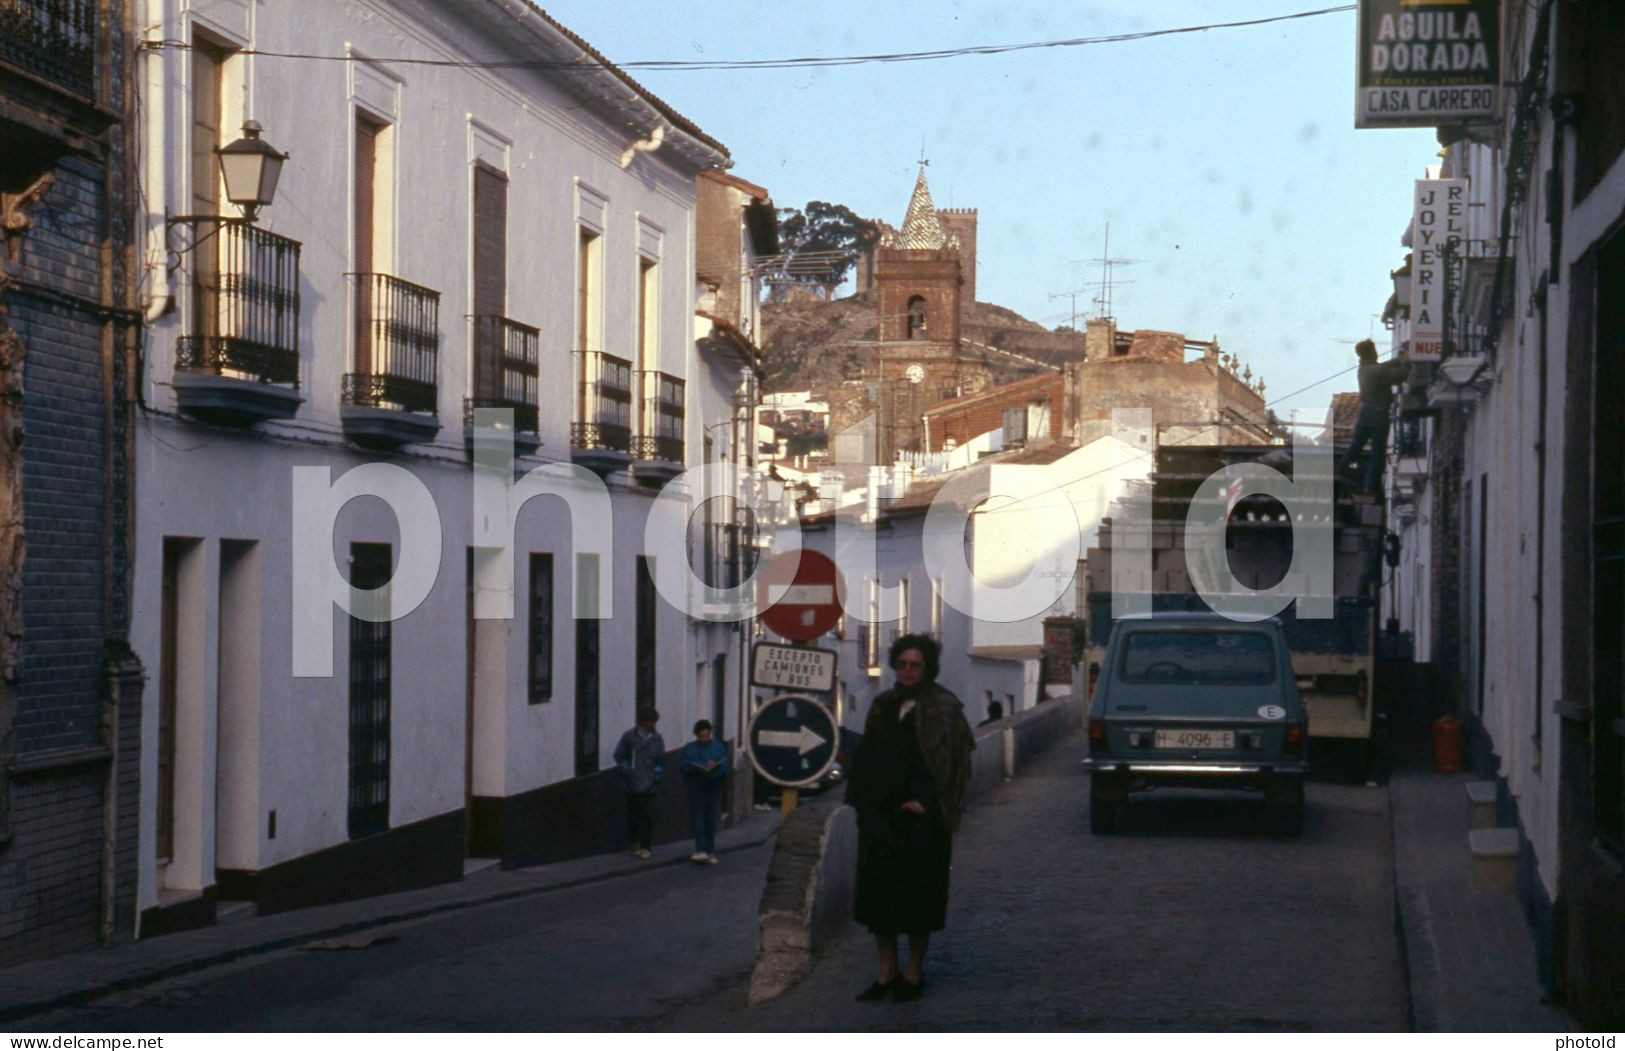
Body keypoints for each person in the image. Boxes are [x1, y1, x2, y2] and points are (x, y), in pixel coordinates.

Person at [844, 633, 975, 1004]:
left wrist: (929, 805)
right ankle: (886, 973)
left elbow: (956, 767)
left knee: (919, 899)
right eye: (902, 664)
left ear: (927, 668)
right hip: (882, 818)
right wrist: (865, 805)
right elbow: (868, 756)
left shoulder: (945, 708)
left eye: (914, 665)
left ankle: (914, 973)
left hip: (922, 823)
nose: (907, 671)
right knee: (879, 900)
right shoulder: (883, 704)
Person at [1343, 339, 1411, 493]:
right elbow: (1400, 375)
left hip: (1365, 413)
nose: (1377, 352)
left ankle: (1342, 469)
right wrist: (1406, 361)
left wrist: (1398, 359)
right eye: (1375, 349)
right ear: (1372, 352)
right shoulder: (1375, 371)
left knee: (1355, 447)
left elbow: (1383, 367)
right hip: (1378, 414)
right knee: (1377, 453)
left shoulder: (1364, 368)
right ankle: (1369, 486)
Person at [613, 708, 665, 860]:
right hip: (631, 781)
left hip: (649, 782)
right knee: (633, 814)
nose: (654, 725)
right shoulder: (629, 736)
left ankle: (646, 846)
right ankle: (634, 843)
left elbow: (661, 759)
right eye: (651, 722)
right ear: (644, 722)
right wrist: (625, 769)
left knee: (646, 814)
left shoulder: (657, 739)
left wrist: (657, 773)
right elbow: (619, 754)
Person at [678, 719, 730, 864]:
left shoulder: (718, 747)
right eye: (702, 736)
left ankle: (710, 850)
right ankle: (701, 849)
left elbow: (724, 766)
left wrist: (714, 768)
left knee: (710, 819)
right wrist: (697, 767)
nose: (704, 739)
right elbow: (682, 766)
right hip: (696, 787)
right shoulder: (689, 749)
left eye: (707, 736)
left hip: (713, 787)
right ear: (697, 735)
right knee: (698, 819)